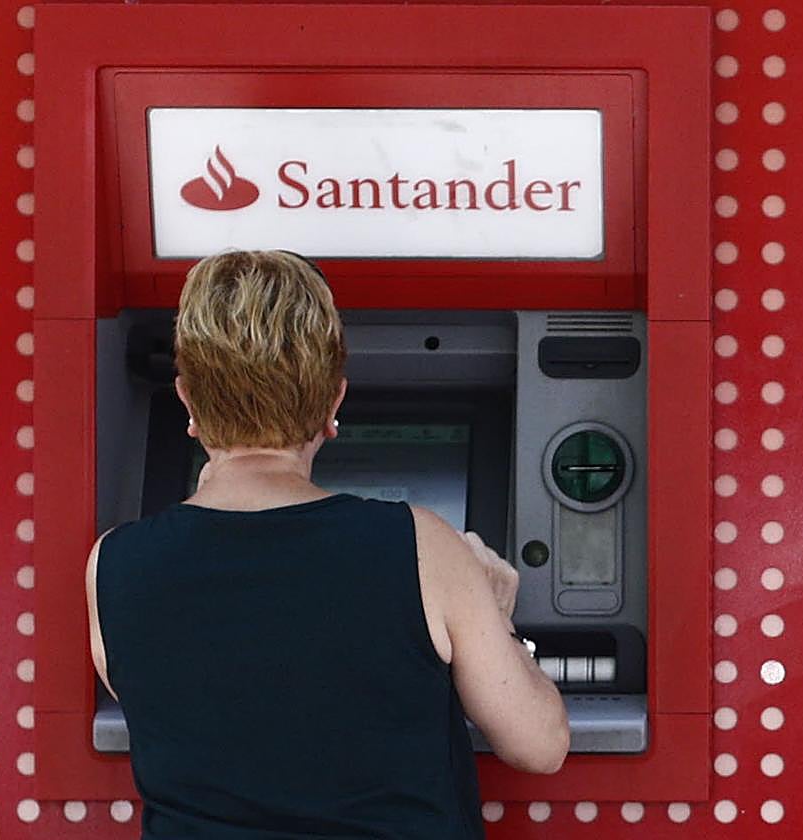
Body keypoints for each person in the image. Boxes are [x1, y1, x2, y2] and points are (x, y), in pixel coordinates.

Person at [85, 250, 569, 839]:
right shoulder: (422, 546)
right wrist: (500, 623)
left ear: (187, 400)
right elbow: (539, 746)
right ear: (334, 402)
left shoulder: (115, 564)